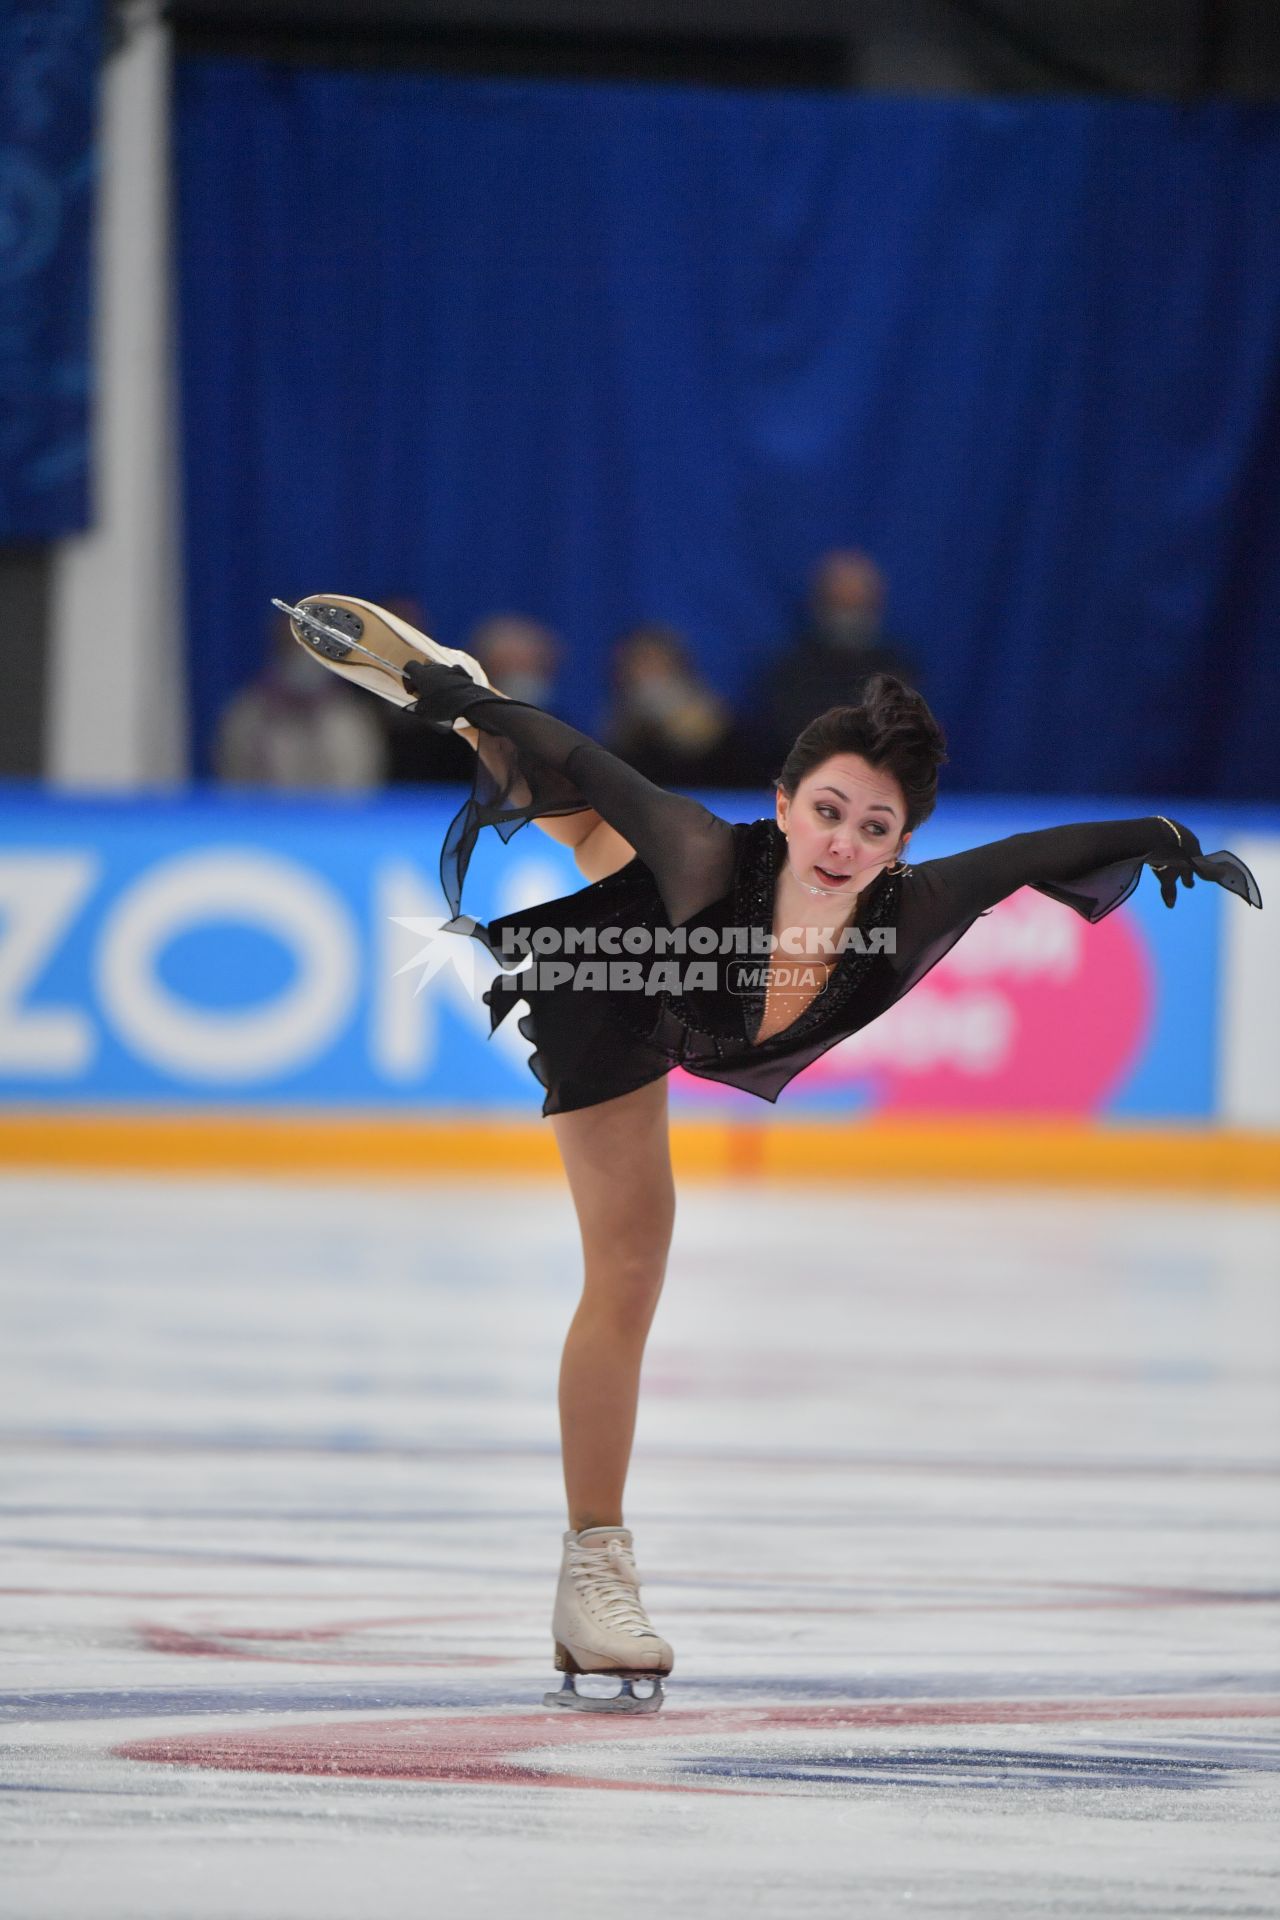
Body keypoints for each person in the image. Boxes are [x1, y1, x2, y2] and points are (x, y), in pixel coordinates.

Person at [278, 592, 1263, 1715]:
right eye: (828, 811)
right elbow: (590, 760)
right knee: (631, 1265)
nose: (844, 844)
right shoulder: (705, 850)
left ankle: (479, 712)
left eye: (874, 827)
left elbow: (1034, 853)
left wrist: (1166, 840)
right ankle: (592, 1573)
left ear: (902, 845)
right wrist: (466, 703)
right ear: (783, 803)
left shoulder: (906, 909)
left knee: (604, 837)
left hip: (689, 936)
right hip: (628, 988)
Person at [747, 548, 919, 784]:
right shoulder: (790, 671)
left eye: (858, 602)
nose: (849, 612)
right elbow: (787, 741)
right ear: (821, 601)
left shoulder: (897, 669)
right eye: (840, 602)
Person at [214, 611, 387, 790]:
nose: (302, 657)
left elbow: (361, 783)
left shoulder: (350, 716)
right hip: (266, 816)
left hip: (332, 817)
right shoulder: (247, 714)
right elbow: (233, 780)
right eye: (292, 645)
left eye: (310, 645)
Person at [605, 622, 750, 788]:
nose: (650, 677)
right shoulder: (611, 749)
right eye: (640, 667)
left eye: (657, 664)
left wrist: (707, 734)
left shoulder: (730, 738)